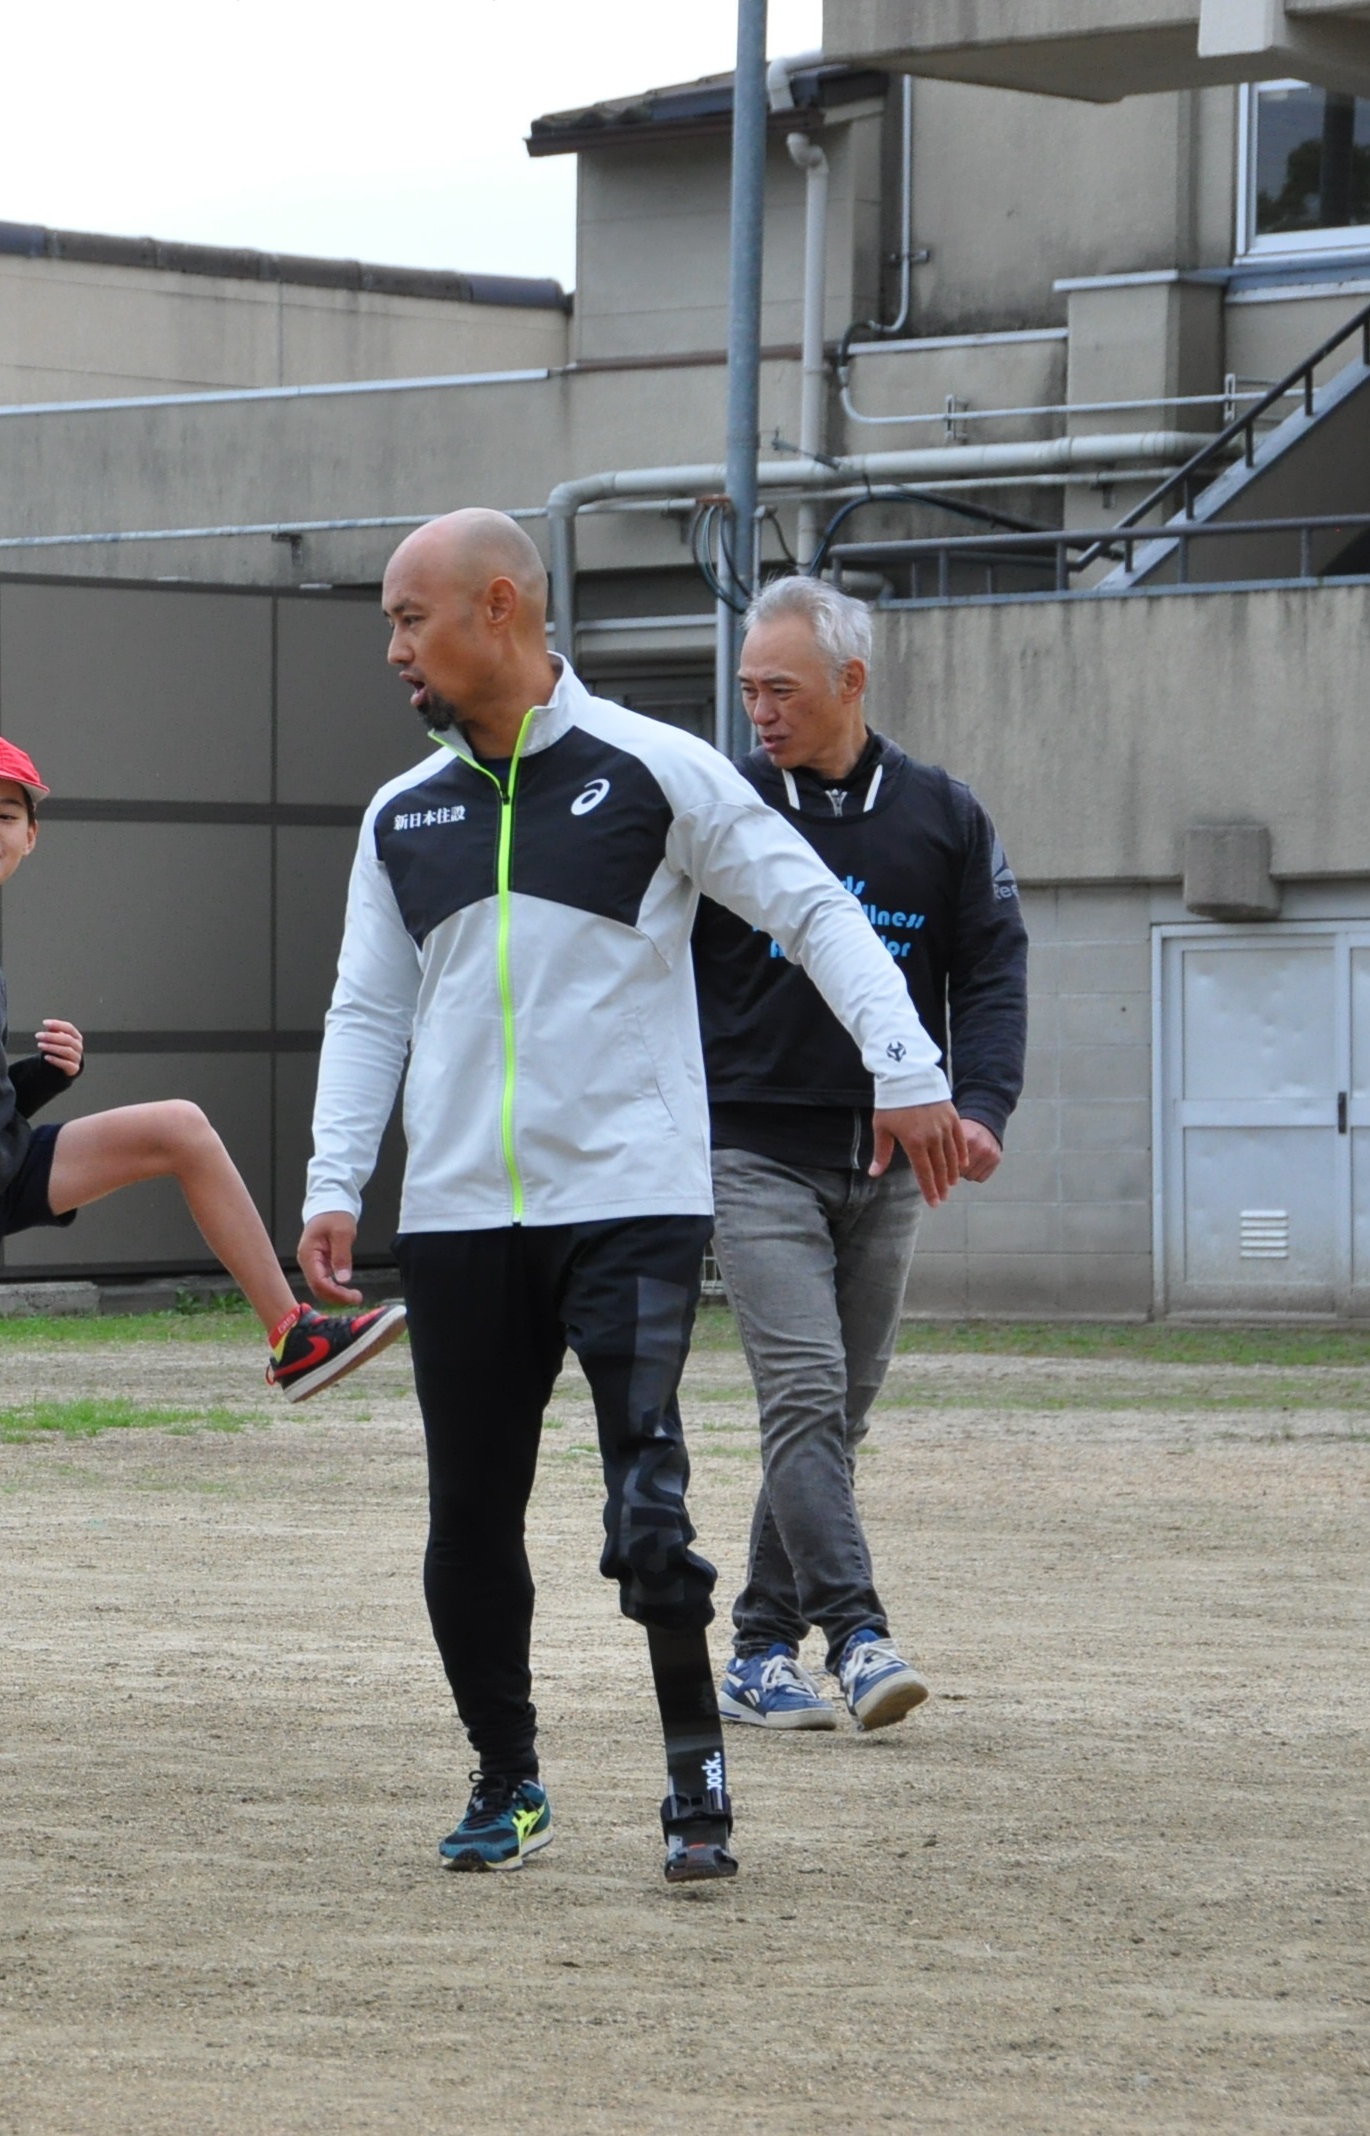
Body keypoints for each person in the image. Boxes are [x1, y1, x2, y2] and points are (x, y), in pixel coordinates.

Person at [298, 510, 964, 1884]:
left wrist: (904, 1065)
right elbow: (369, 1008)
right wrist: (332, 1181)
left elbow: (814, 909)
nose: (392, 649)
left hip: (630, 1205)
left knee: (647, 1519)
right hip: (461, 1219)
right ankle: (508, 1779)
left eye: (407, 617)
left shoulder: (657, 772)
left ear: (499, 607)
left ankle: (694, 1789)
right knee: (467, 1519)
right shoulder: (400, 814)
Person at [0, 734, 407, 1743]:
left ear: (33, 838)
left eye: (8, 814)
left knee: (178, 1126)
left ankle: (293, 1336)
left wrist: (40, 1082)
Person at [697, 577, 1026, 1735]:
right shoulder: (723, 807)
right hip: (750, 1152)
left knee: (839, 1418)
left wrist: (979, 1100)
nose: (761, 713)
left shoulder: (944, 813)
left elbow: (989, 968)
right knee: (804, 1393)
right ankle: (860, 1635)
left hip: (892, 1167)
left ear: (852, 681)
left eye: (780, 689)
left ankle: (754, 1651)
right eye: (747, 691)